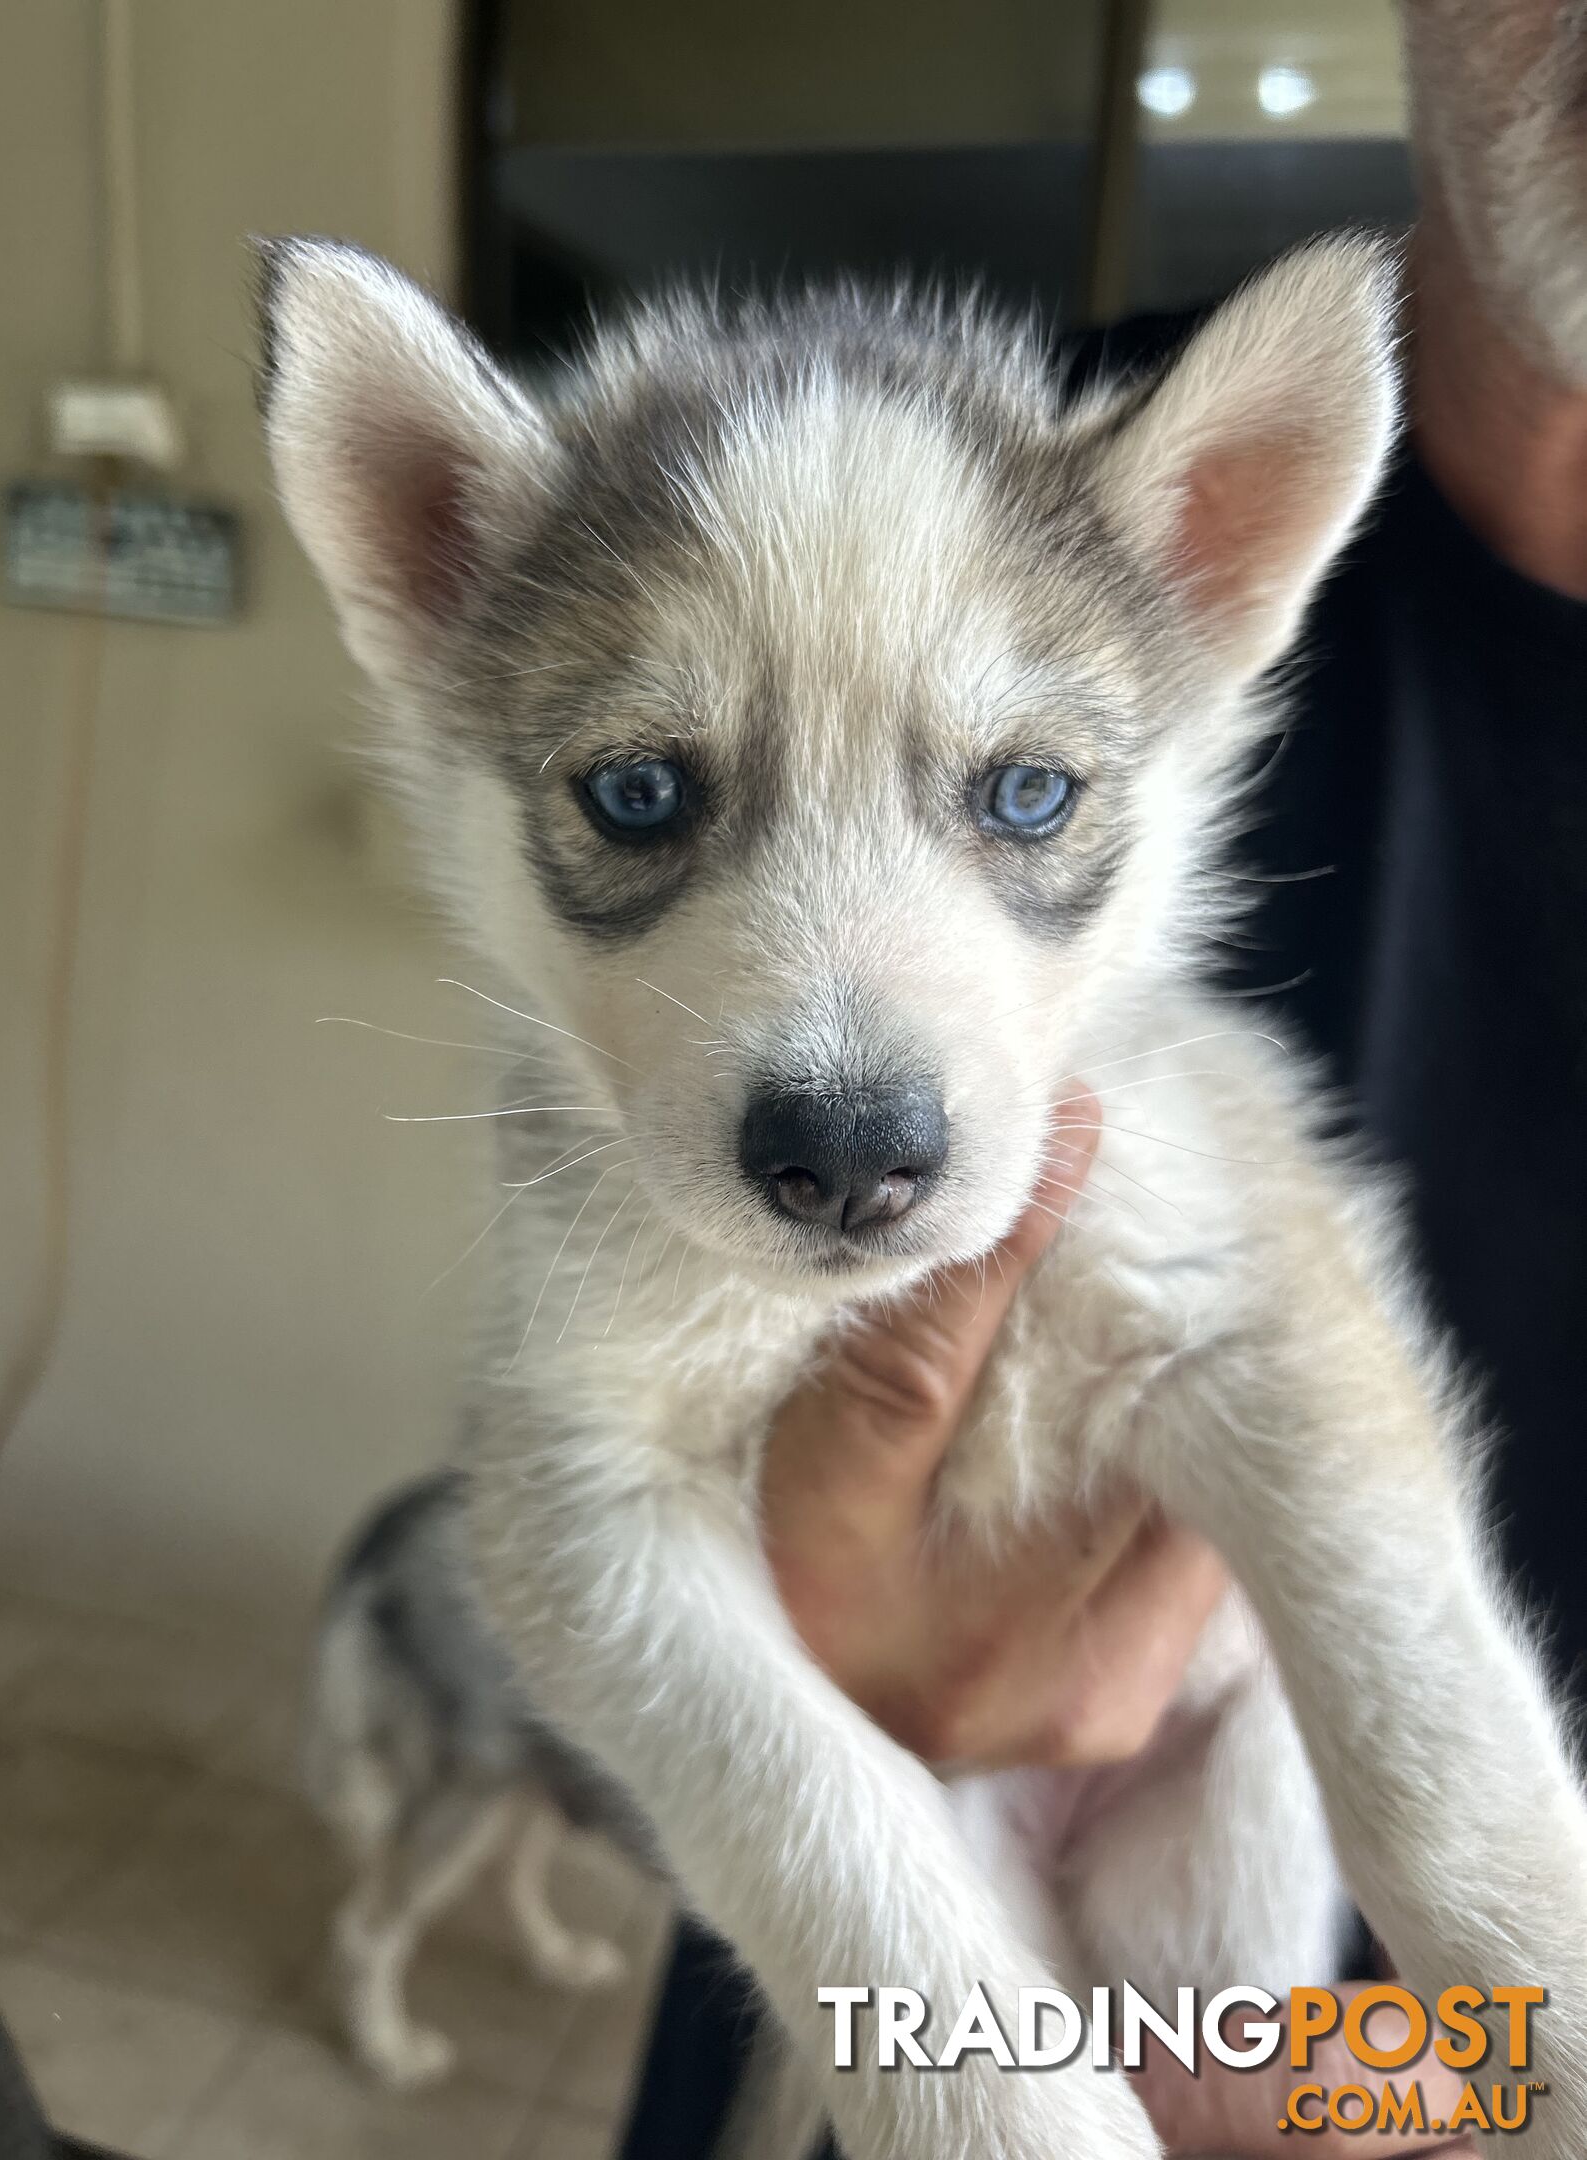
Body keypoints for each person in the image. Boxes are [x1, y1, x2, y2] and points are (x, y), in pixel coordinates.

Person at [619, 1, 1587, 2153]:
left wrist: (1364, 2096)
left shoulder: (1139, 546)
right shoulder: (1022, 486)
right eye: (651, 790)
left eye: (1028, 792)